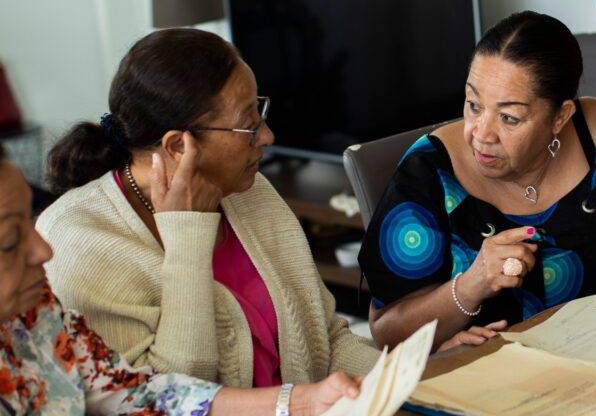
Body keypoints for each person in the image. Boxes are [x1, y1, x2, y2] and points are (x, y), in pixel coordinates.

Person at [0, 144, 359, 416]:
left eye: (29, 220)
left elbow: (134, 397)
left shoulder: (31, 313)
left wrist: (303, 403)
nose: (42, 250)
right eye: (9, 241)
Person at [360, 11, 596, 351]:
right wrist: (470, 287)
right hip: (502, 386)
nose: (481, 133)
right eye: (473, 105)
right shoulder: (430, 173)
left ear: (560, 117)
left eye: (509, 118)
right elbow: (386, 330)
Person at [37, 28, 380, 390]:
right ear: (178, 147)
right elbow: (171, 405)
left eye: (260, 112)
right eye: (248, 126)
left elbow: (326, 340)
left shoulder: (248, 191)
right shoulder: (79, 243)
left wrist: (413, 380)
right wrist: (187, 234)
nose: (267, 137)